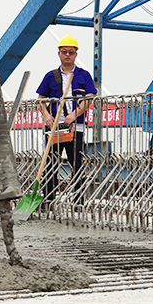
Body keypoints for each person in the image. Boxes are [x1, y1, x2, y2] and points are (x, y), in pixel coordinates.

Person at [36, 35, 96, 202]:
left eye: (71, 52)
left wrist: (73, 116)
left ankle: (78, 201)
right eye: (64, 52)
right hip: (54, 128)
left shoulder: (84, 75)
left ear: (76, 54)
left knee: (76, 163)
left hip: (75, 128)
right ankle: (48, 199)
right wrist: (47, 116)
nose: (67, 55)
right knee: (50, 164)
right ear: (59, 54)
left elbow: (89, 99)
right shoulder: (51, 75)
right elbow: (41, 100)